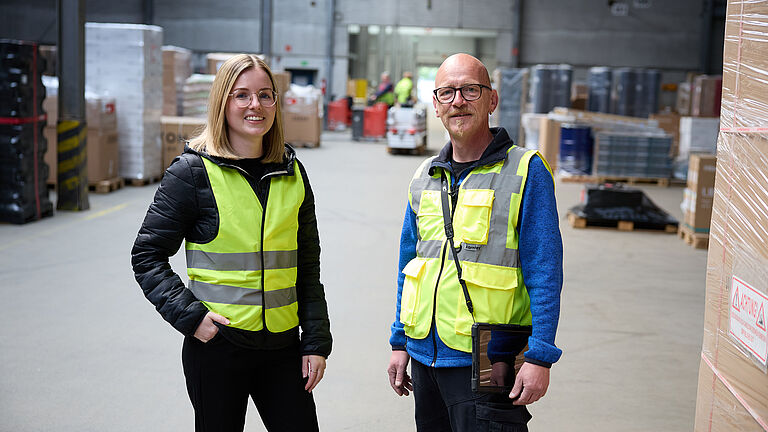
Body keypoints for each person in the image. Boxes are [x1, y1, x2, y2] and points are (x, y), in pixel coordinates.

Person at [131, 54, 332, 432]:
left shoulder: (292, 172)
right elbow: (147, 255)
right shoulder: (192, 172)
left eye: (264, 95)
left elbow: (307, 265)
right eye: (241, 95)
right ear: (222, 102)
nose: (255, 105)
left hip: (283, 347)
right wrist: (192, 318)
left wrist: (316, 340)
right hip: (219, 347)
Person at [386, 53, 563, 431]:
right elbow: (410, 263)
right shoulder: (425, 175)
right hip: (424, 358)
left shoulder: (525, 170)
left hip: (487, 358)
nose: (458, 101)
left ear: (492, 100)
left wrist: (541, 356)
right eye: (447, 92)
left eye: (470, 90)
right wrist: (400, 342)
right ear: (435, 105)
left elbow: (544, 268)